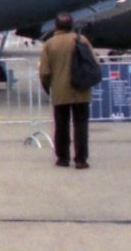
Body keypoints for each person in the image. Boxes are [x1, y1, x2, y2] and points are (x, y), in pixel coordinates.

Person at [39, 12, 96, 169]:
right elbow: (94, 63)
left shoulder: (50, 44)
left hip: (60, 92)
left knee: (61, 126)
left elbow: (44, 72)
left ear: (56, 26)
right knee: (81, 125)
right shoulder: (82, 40)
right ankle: (81, 159)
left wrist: (49, 87)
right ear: (72, 25)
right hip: (81, 90)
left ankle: (63, 158)